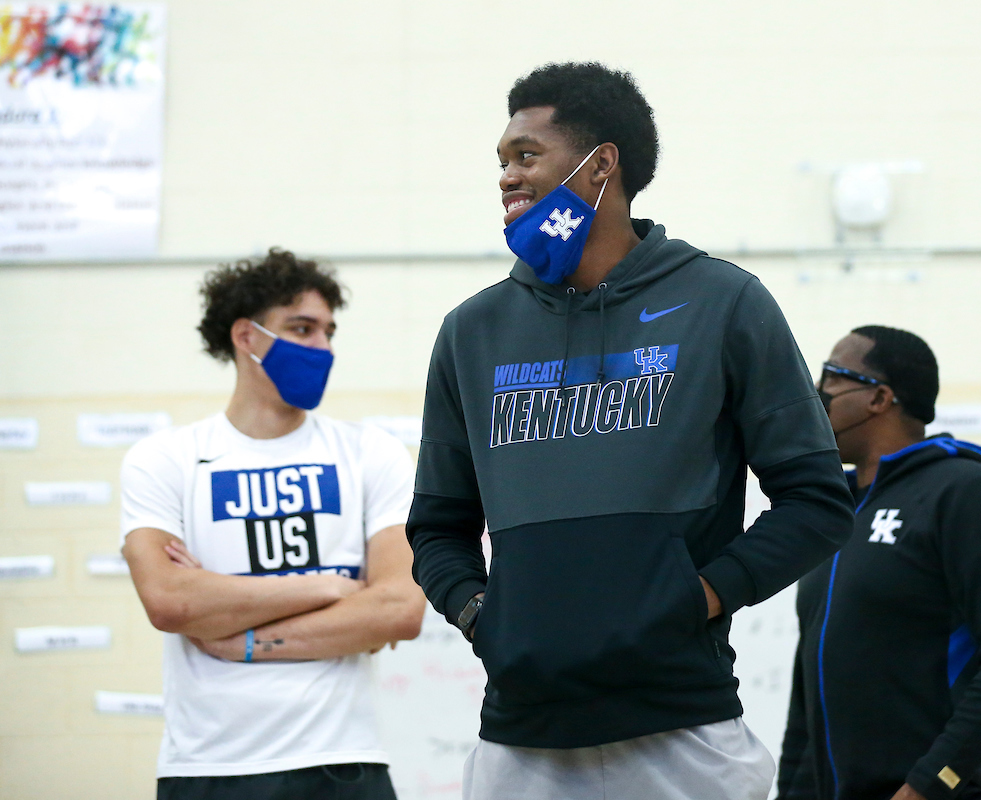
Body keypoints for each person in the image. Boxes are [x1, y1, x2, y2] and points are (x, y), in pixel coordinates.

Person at [406, 62, 856, 800]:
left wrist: (694, 598)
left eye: (526, 156)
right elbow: (437, 528)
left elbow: (816, 502)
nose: (506, 178)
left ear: (599, 166)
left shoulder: (725, 302)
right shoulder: (472, 332)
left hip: (683, 731)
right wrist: (487, 620)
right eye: (501, 162)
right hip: (521, 742)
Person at [120, 249, 426, 800]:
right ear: (247, 337)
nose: (323, 348)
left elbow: (398, 609)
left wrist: (238, 638)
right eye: (302, 329)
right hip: (206, 767)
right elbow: (171, 602)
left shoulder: (369, 453)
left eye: (328, 332)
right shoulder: (166, 458)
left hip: (342, 760)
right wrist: (329, 587)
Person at [777, 326, 981, 800]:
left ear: (880, 398)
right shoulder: (832, 510)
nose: (816, 394)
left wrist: (930, 783)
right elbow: (812, 685)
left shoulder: (968, 492)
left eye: (831, 377)